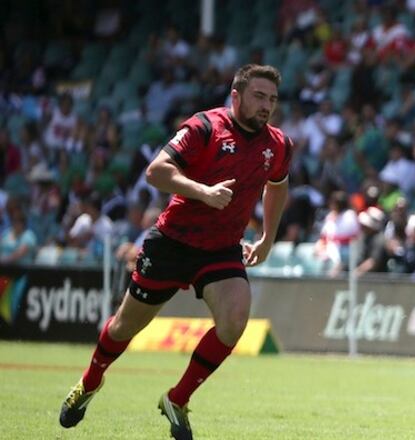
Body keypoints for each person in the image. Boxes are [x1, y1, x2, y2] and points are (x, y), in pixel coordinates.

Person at [59, 64, 292, 440]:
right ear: (236, 96)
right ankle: (90, 382)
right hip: (171, 243)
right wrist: (203, 191)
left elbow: (277, 185)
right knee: (124, 327)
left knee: (234, 321)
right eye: (259, 96)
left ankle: (177, 399)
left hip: (221, 249)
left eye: (273, 99)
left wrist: (267, 237)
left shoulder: (278, 144)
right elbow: (155, 172)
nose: (267, 105)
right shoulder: (204, 127)